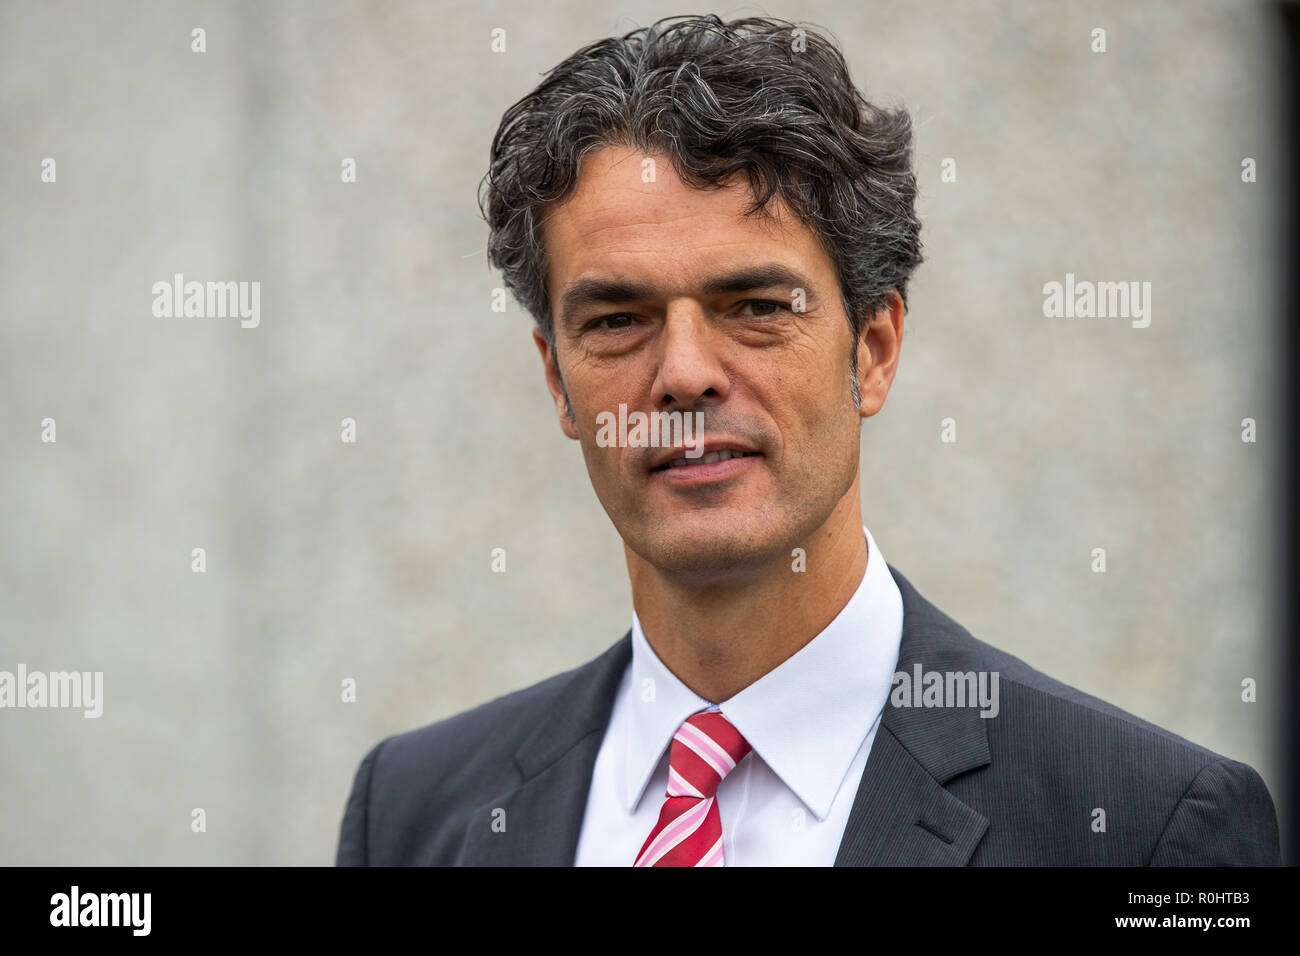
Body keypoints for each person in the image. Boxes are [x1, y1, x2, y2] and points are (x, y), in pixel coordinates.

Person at [335, 15, 1281, 866]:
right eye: (618, 320)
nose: (684, 374)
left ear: (873, 351)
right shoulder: (416, 814)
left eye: (754, 306)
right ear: (557, 379)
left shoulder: (1146, 829)